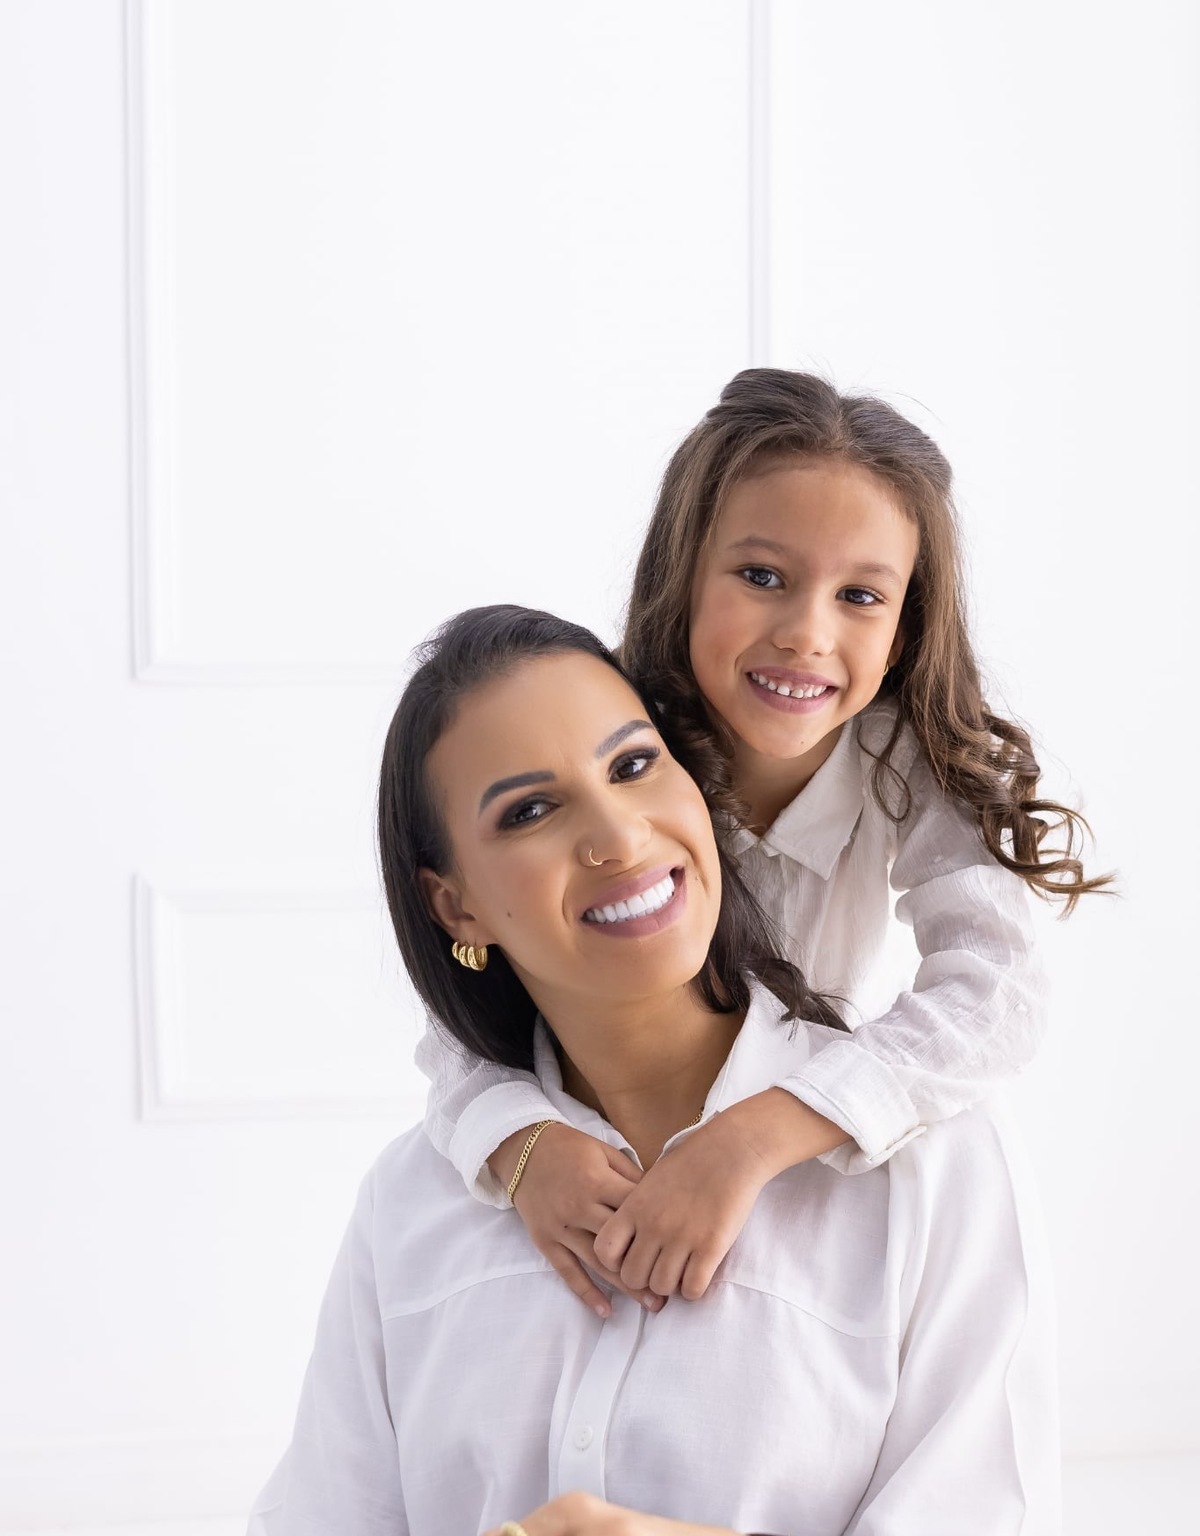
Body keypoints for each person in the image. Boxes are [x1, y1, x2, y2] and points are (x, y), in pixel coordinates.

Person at [152, 606, 1073, 1536]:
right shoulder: (422, 1203)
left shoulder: (925, 1165)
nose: (617, 832)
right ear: (457, 910)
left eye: (636, 765)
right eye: (529, 811)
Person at [419, 371, 1108, 1318]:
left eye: (861, 595)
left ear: (907, 627)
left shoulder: (907, 756)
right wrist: (523, 1143)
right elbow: (468, 988)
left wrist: (754, 1137)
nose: (806, 635)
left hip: (796, 1146)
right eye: (761, 577)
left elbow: (997, 991)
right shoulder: (616, 741)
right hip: (606, 1138)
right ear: (685, 571)